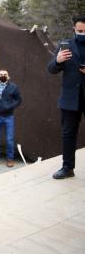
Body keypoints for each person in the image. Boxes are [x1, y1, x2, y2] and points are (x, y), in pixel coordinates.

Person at [47, 15, 85, 179]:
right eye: (80, 31)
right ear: (74, 29)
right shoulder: (66, 45)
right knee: (68, 134)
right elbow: (51, 69)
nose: (82, 34)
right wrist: (58, 60)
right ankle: (67, 168)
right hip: (70, 99)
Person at [0, 69, 22, 168]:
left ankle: (10, 159)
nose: (3, 75)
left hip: (8, 117)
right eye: (1, 74)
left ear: (8, 76)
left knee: (9, 139)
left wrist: (10, 106)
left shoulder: (13, 87)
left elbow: (19, 100)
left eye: (5, 74)